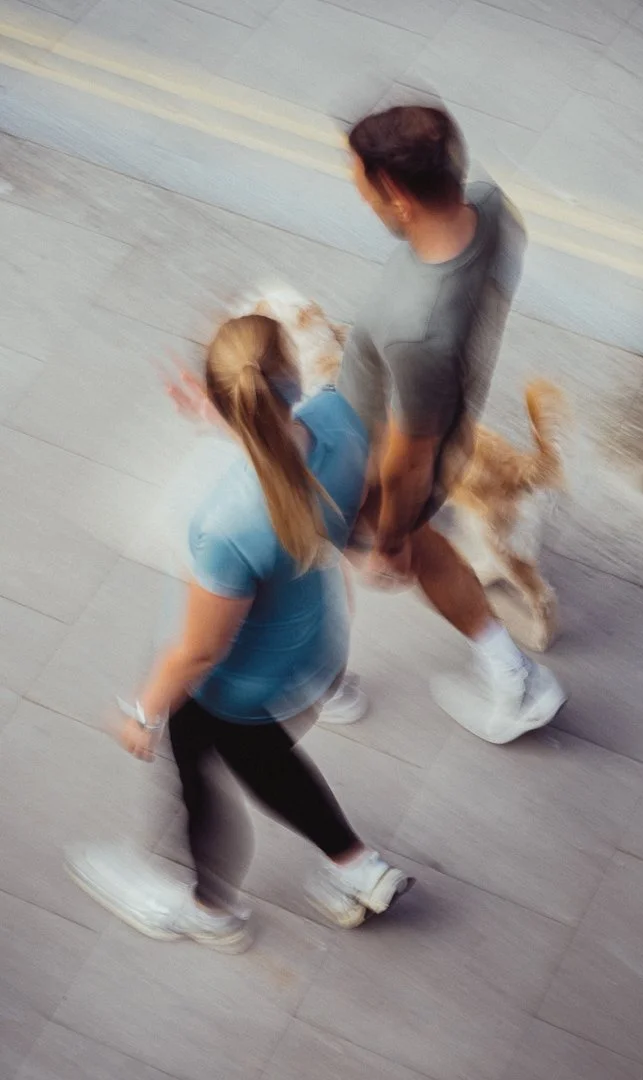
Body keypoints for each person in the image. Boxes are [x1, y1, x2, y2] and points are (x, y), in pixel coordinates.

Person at [66, 315, 412, 951]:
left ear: (233, 404)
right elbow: (330, 482)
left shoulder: (226, 525)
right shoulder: (339, 418)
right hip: (318, 646)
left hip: (240, 688)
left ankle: (211, 910)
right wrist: (373, 548)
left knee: (198, 766)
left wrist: (142, 712)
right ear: (295, 375)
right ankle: (357, 866)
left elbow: (200, 649)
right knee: (269, 766)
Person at [320, 104, 566, 744]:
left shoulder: (416, 323)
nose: (361, 197)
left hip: (372, 456)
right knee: (426, 546)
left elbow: (407, 457)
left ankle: (324, 682)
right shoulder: (490, 207)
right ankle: (510, 673)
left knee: (310, 549)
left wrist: (392, 534)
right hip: (449, 417)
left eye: (363, 184)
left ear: (396, 193)